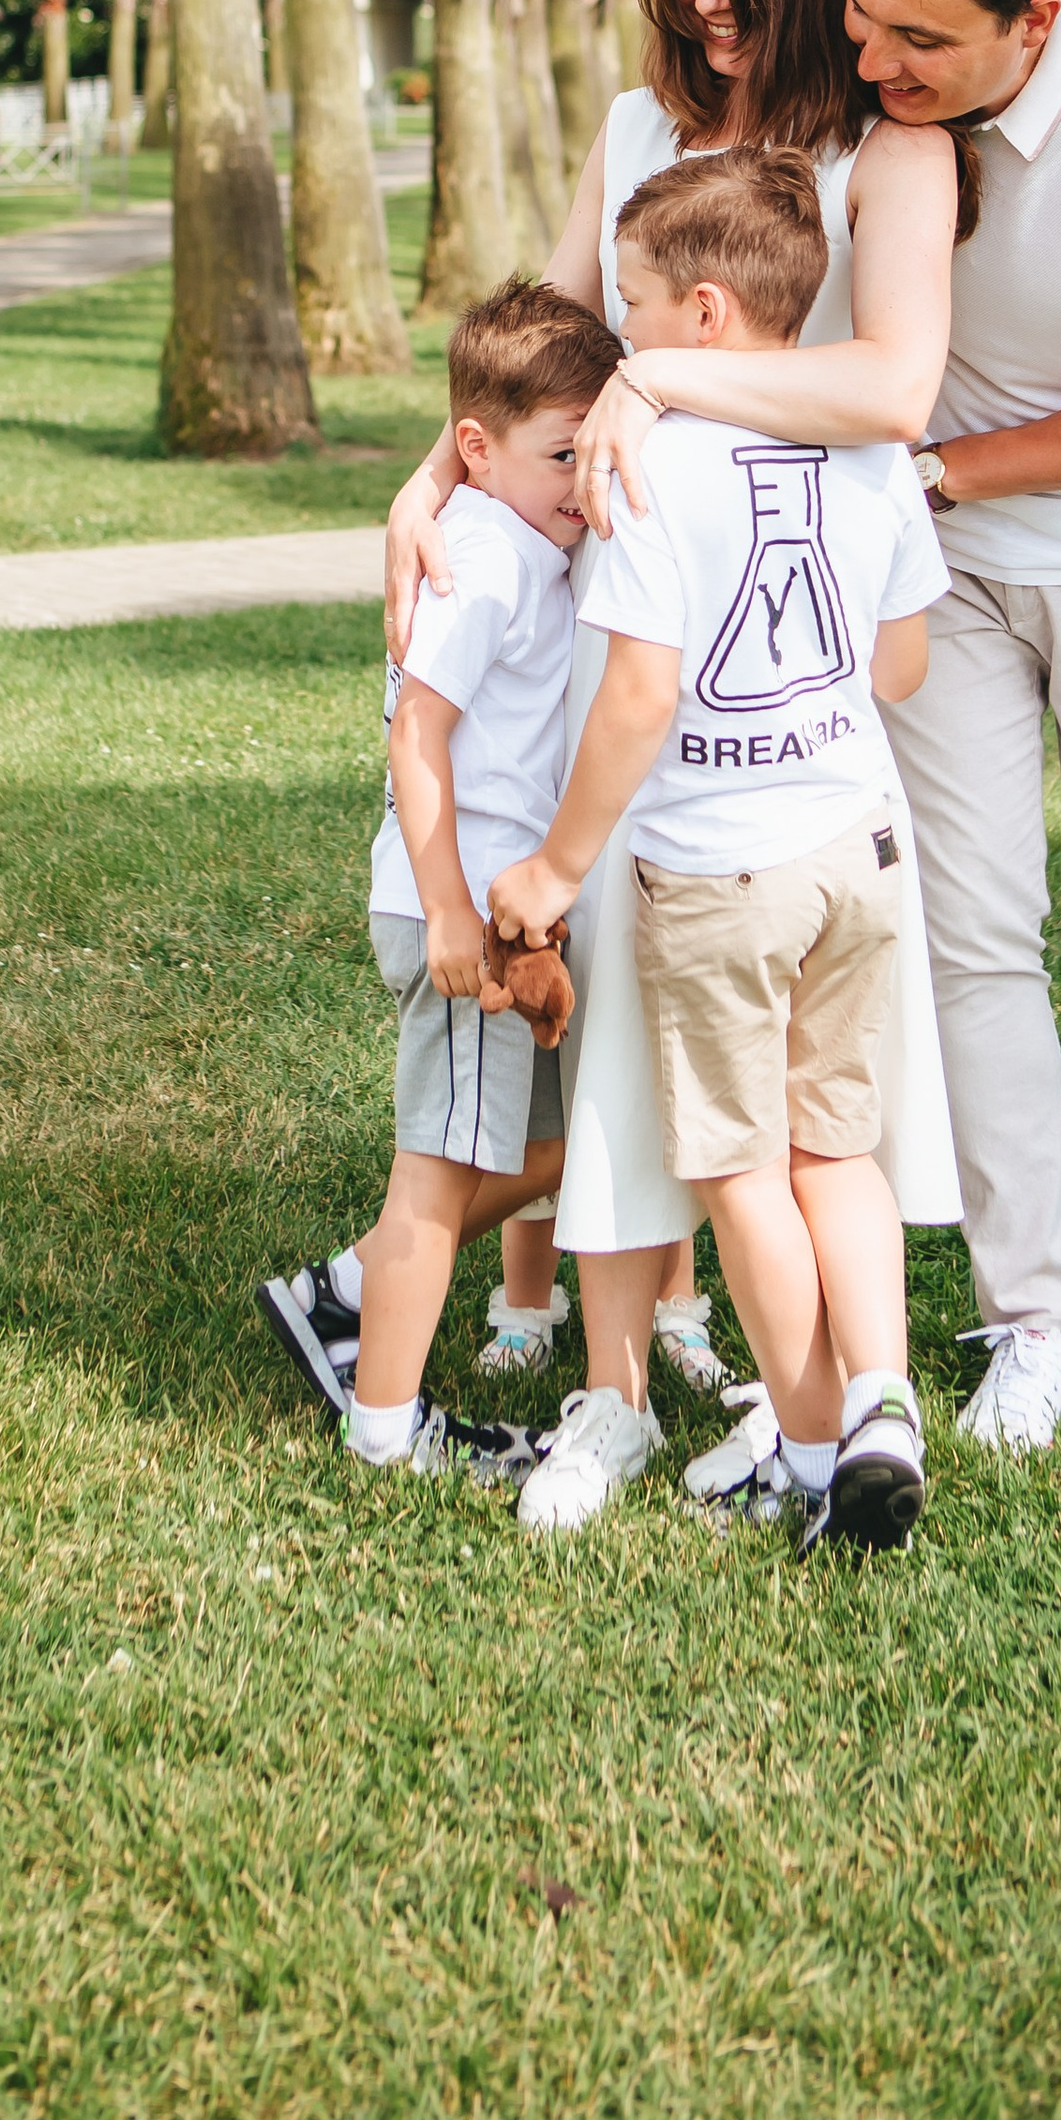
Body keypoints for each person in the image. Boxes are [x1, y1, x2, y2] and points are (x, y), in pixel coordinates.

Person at [581, 0, 1061, 1460]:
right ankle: (1037, 1307)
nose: (873, 54)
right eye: (864, 15)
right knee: (971, 934)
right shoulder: (888, 117)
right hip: (924, 575)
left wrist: (930, 467)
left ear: (1034, 20)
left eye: (917, 35)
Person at [383, 0, 966, 1524]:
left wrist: (672, 388)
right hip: (643, 673)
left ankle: (825, 1405)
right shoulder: (644, 132)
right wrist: (435, 480)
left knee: (777, 1116)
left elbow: (886, 390)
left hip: (772, 727)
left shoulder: (887, 154)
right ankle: (623, 1390)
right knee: (634, 1060)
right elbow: (553, 346)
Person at [491, 149, 946, 1550]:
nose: (615, 332)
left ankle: (815, 1458)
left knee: (744, 1176)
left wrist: (557, 870)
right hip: (859, 854)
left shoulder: (645, 456)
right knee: (841, 1158)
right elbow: (904, 665)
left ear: (699, 313)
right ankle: (884, 1396)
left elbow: (638, 696)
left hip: (715, 877)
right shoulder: (867, 447)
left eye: (627, 304)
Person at [258, 278, 622, 1473]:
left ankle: (345, 1289)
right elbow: (416, 736)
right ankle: (386, 1428)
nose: (585, 479)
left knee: (559, 1141)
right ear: (475, 447)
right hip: (450, 908)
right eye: (562, 453)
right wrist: (457, 912)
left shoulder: (531, 540)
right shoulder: (486, 559)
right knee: (443, 1168)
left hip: (497, 910)